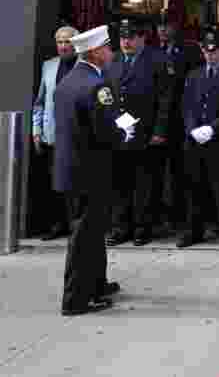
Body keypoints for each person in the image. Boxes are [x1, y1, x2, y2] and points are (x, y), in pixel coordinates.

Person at [53, 25, 127, 316]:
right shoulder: (97, 85)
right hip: (90, 172)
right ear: (95, 52)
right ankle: (75, 299)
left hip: (72, 170)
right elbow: (103, 132)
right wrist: (123, 134)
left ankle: (96, 285)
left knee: (92, 232)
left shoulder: (69, 81)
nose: (111, 52)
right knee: (84, 236)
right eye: (107, 48)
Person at [178, 25, 219, 249]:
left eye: (214, 50)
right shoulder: (194, 74)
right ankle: (193, 230)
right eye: (206, 50)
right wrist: (192, 129)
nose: (209, 54)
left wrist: (213, 128)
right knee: (193, 187)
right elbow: (186, 106)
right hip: (195, 139)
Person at [105, 18, 172, 247]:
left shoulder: (157, 60)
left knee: (144, 184)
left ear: (142, 37)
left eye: (131, 37)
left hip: (145, 131)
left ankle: (142, 228)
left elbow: (165, 99)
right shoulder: (113, 60)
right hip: (118, 132)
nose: (126, 42)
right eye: (123, 37)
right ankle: (119, 227)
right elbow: (107, 95)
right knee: (118, 183)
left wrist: (159, 131)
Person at [155, 12, 202, 234]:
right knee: (156, 170)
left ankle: (179, 214)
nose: (163, 29)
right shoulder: (153, 51)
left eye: (167, 25)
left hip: (182, 118)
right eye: (160, 25)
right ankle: (159, 214)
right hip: (157, 121)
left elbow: (197, 84)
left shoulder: (190, 50)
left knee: (180, 170)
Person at [32, 25, 80, 240]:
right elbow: (40, 102)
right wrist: (36, 130)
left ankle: (76, 226)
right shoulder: (49, 66)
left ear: (76, 43)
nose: (63, 46)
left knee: (76, 183)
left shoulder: (86, 65)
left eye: (67, 41)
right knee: (54, 182)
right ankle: (57, 224)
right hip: (52, 134)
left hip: (77, 135)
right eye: (59, 42)